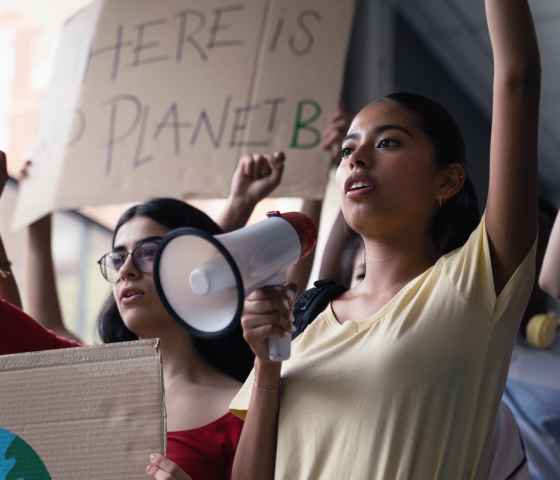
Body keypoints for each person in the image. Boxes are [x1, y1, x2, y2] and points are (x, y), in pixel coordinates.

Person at [230, 0, 541, 478]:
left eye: (388, 142)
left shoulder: (473, 285)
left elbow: (517, 78)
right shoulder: (303, 325)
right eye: (349, 149)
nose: (356, 159)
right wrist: (268, 365)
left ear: (448, 181)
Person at [1, 151, 286, 480]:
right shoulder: (80, 376)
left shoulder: (245, 409)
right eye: (117, 258)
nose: (127, 270)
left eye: (150, 252)